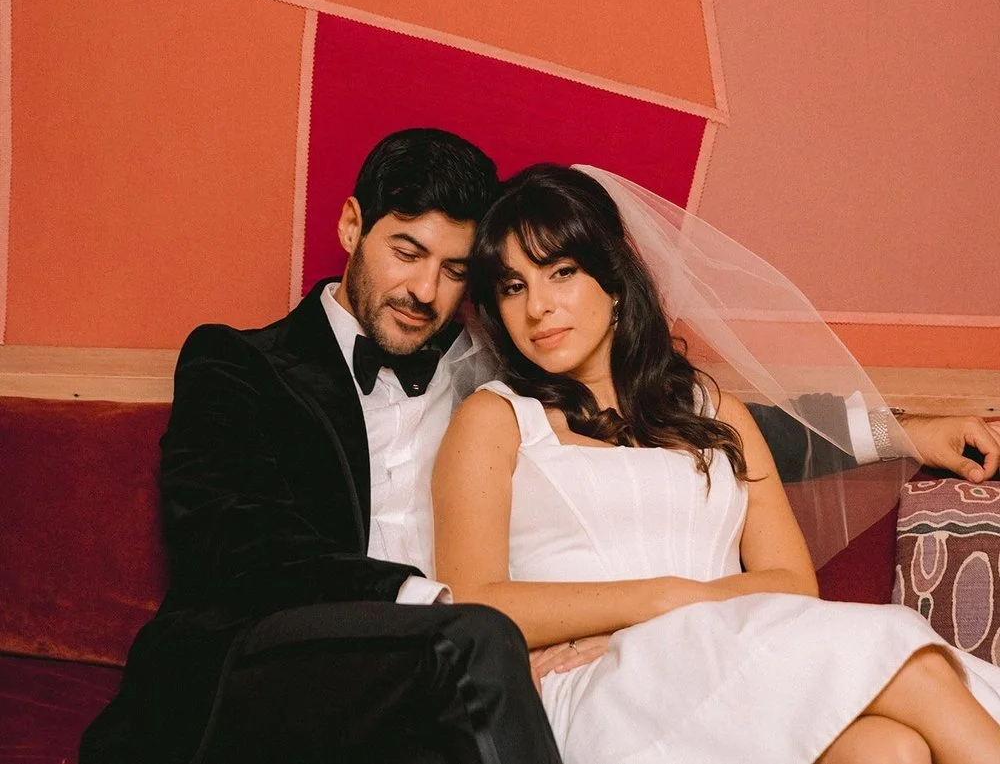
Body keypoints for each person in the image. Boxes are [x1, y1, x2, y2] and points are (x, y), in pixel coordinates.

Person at [82, 130, 998, 764]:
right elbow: (241, 545)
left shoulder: (486, 370)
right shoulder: (244, 366)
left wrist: (901, 429)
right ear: (352, 227)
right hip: (309, 668)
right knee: (906, 667)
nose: (426, 290)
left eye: (456, 271)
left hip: (484, 678)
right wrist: (462, 616)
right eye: (407, 252)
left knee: (888, 745)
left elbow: (700, 432)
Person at [433, 164, 1000, 764]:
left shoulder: (714, 410)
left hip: (732, 649)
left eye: (562, 272)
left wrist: (677, 606)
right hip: (603, 685)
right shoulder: (496, 419)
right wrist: (656, 605)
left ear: (614, 281)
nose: (539, 307)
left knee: (889, 748)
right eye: (513, 286)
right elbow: (475, 601)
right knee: (908, 662)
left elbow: (791, 582)